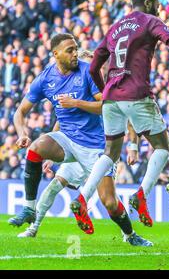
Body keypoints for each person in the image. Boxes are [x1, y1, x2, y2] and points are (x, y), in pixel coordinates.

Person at [69, 0, 169, 234]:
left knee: (110, 151)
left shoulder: (115, 27)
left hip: (111, 98)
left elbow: (95, 65)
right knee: (162, 146)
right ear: (148, 3)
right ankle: (141, 196)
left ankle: (82, 198)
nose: (159, 8)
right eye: (157, 3)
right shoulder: (151, 21)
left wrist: (106, 90)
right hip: (137, 93)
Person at [10, 35, 151, 246]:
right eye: (70, 50)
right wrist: (22, 133)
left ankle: (130, 235)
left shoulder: (88, 71)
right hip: (67, 139)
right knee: (36, 147)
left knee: (110, 203)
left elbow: (106, 104)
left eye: (76, 48)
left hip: (95, 147)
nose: (75, 53)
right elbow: (20, 112)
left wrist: (76, 102)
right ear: (56, 54)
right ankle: (30, 210)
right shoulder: (45, 79)